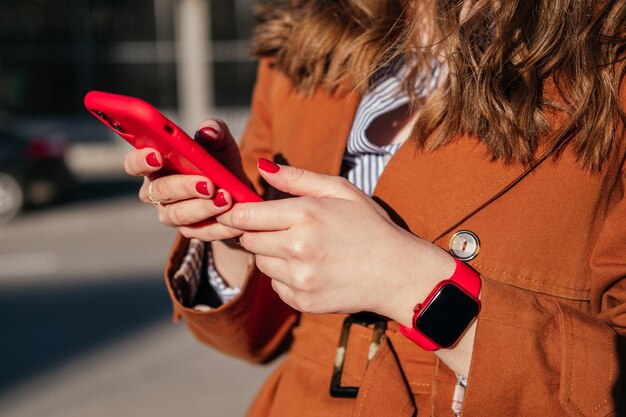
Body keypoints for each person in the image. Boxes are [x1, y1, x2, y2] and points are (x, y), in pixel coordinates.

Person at [123, 0, 626, 415]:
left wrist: (409, 284)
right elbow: (254, 339)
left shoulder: (607, 53)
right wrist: (236, 234)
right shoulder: (312, 29)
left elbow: (610, 380)